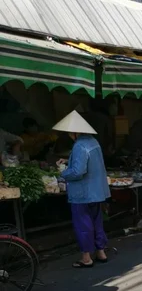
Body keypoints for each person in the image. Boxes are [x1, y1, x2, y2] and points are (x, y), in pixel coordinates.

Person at [54, 111, 110, 269]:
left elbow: (78, 172)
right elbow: (89, 162)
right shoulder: (93, 142)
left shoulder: (79, 145)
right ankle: (101, 252)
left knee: (83, 225)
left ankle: (86, 258)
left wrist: (63, 172)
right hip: (96, 192)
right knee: (97, 222)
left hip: (82, 194)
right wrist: (69, 160)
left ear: (74, 132)